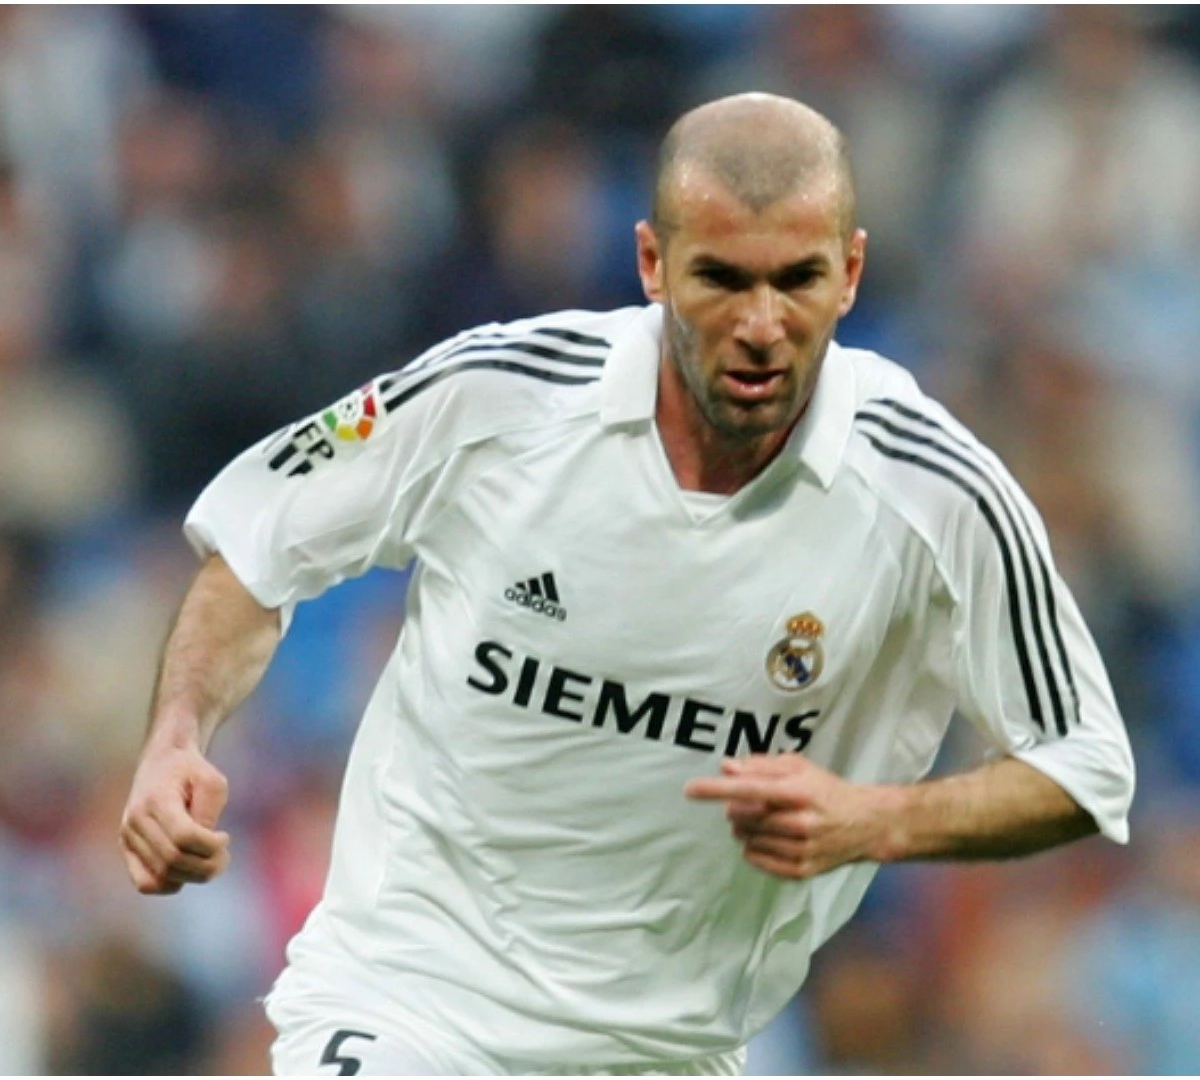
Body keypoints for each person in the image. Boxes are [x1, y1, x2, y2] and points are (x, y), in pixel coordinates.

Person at [120, 92, 1135, 1075]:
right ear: (652, 263)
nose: (761, 323)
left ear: (851, 273)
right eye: (722, 278)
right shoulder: (498, 394)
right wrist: (175, 737)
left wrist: (877, 820)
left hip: (669, 1052)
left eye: (798, 279)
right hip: (410, 998)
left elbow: (1085, 766)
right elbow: (257, 545)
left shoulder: (933, 493)